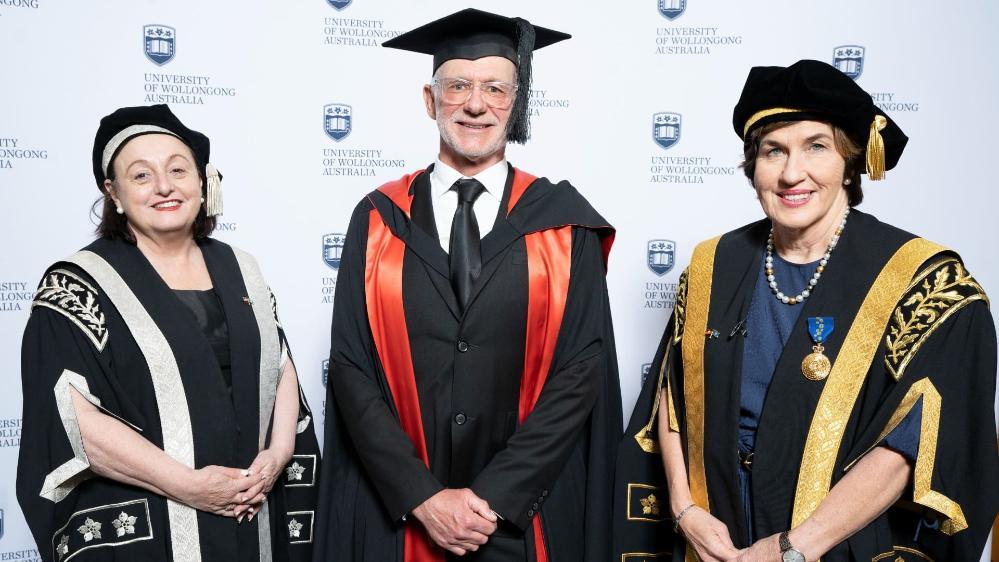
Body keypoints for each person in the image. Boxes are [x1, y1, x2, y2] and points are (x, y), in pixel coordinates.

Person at [615, 60, 998, 561]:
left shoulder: (923, 281)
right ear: (753, 166)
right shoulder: (714, 265)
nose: (792, 173)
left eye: (816, 146)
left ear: (850, 160)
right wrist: (686, 510)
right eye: (774, 151)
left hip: (838, 544)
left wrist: (795, 548)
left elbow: (911, 442)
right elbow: (675, 394)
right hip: (718, 536)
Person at [312, 8, 621, 562]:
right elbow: (352, 367)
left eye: (495, 89)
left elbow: (581, 372)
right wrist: (423, 496)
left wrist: (495, 496)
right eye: (457, 86)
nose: (475, 105)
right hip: (403, 518)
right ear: (430, 101)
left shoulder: (563, 224)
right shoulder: (378, 217)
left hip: (526, 520)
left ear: (516, 102)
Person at [17, 104, 320, 562]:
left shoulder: (241, 269)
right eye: (141, 176)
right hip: (152, 524)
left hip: (251, 506)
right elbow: (74, 420)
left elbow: (279, 367)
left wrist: (276, 457)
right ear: (113, 193)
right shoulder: (79, 283)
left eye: (178, 170)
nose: (164, 186)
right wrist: (190, 487)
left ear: (202, 182)